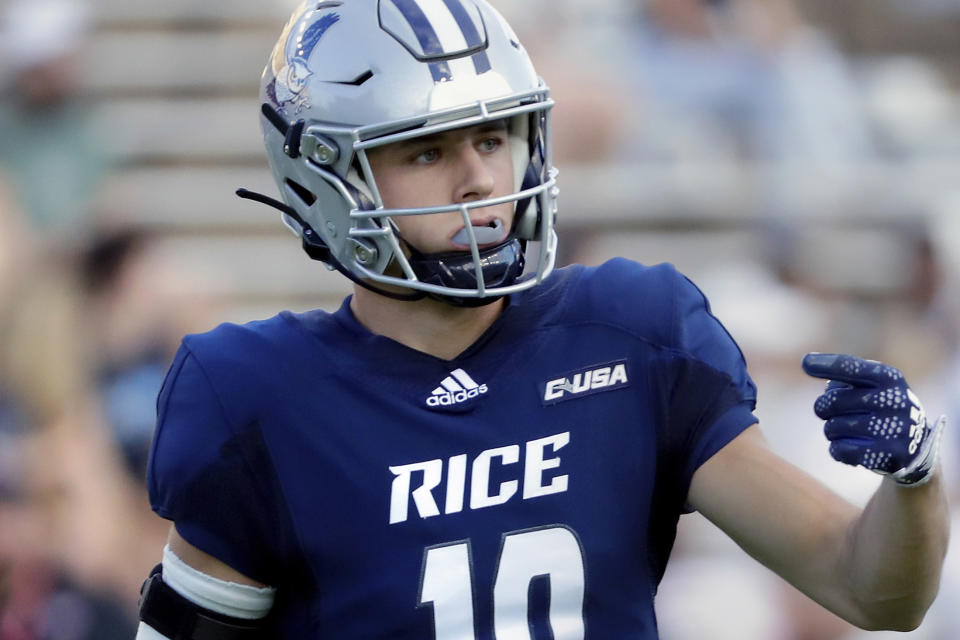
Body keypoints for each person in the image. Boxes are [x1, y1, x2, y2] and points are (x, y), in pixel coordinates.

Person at [136, 1, 950, 638]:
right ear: (324, 176)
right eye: (426, 151)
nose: (478, 180)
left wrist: (914, 481)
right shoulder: (258, 397)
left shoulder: (635, 335)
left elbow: (868, 589)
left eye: (493, 137)